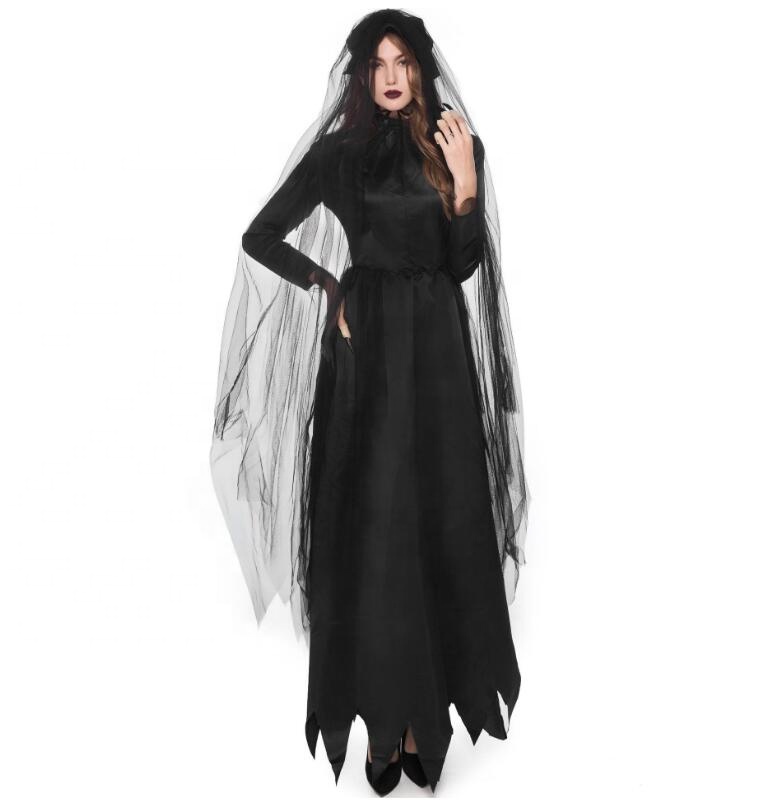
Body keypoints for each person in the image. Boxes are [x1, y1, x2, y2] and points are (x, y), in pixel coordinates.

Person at [210, 9, 531, 795]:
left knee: (440, 519)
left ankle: (428, 715)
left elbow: (463, 267)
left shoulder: (457, 143)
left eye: (403, 62)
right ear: (359, 76)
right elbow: (260, 235)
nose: (391, 76)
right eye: (377, 64)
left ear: (422, 69)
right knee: (378, 531)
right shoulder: (338, 156)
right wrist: (329, 287)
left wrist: (464, 188)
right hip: (367, 356)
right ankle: (387, 719)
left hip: (439, 356)